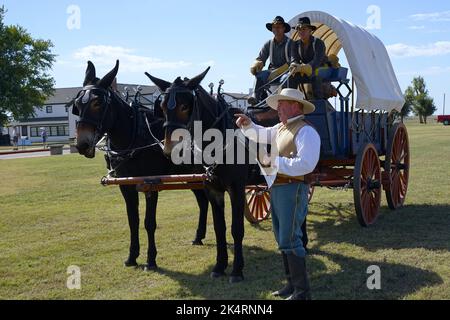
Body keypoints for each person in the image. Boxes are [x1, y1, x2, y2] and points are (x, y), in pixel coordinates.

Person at [235, 88, 320, 300]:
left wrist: (273, 162)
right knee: (282, 238)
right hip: (280, 188)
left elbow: (307, 164)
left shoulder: (306, 131)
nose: (278, 109)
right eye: (279, 105)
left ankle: (302, 292)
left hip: (293, 188)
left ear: (296, 107)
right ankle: (291, 286)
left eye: (282, 105)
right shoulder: (282, 128)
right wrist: (248, 125)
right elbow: (261, 133)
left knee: (290, 238)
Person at [248, 16, 293, 105]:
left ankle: (285, 101)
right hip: (271, 72)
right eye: (274, 27)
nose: (276, 29)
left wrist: (277, 72)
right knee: (259, 75)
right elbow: (261, 58)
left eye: (279, 27)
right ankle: (255, 99)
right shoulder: (268, 43)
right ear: (272, 29)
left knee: (286, 79)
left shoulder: (291, 43)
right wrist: (256, 65)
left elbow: (292, 61)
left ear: (283, 28)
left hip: (286, 72)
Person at [289, 17, 328, 99]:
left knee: (316, 77)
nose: (301, 31)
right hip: (304, 71)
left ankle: (319, 106)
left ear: (310, 30)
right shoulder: (295, 44)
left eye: (304, 29)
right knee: (290, 77)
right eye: (299, 29)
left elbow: (317, 61)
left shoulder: (318, 43)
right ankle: (291, 102)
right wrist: (295, 66)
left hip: (320, 70)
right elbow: (294, 59)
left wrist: (303, 67)